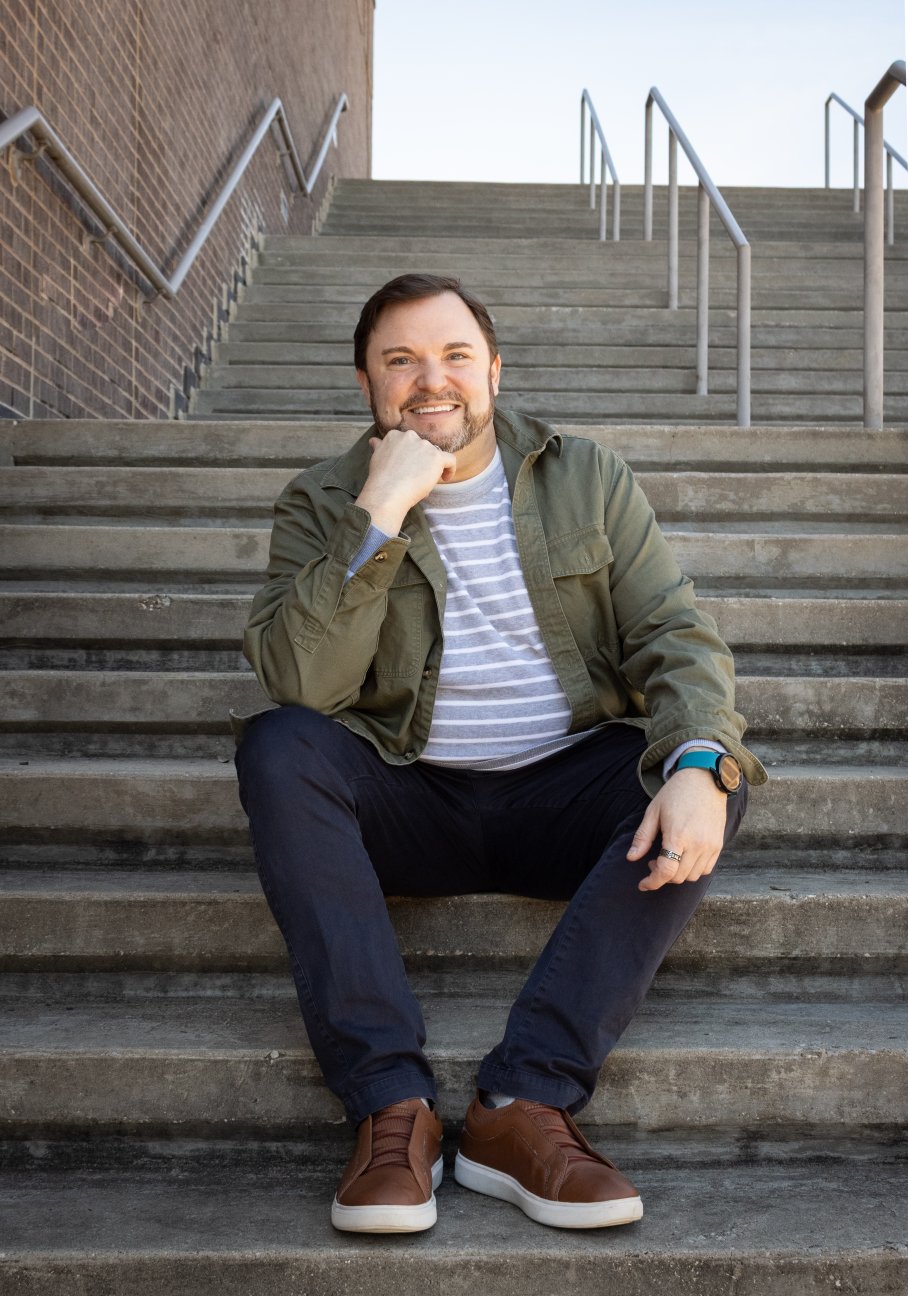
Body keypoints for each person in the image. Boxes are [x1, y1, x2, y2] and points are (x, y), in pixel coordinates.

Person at [234, 273, 766, 1235]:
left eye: (454, 355)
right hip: (406, 798)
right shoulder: (320, 500)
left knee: (706, 773)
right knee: (279, 747)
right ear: (366, 384)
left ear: (493, 370)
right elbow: (302, 681)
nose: (430, 380)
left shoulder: (585, 475)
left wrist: (697, 767)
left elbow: (674, 634)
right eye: (400, 360)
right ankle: (390, 1107)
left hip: (563, 795)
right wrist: (380, 512)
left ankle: (522, 1102)